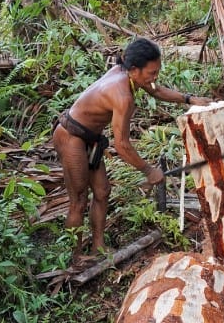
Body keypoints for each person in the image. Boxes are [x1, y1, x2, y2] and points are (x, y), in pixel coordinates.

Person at [53, 38, 212, 256]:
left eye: (157, 72)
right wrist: (148, 170)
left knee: (102, 191)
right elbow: (122, 145)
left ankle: (97, 246)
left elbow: (156, 90)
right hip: (71, 137)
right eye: (151, 73)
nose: (154, 78)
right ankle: (74, 257)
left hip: (90, 139)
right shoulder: (123, 96)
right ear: (135, 69)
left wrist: (189, 99)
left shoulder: (127, 72)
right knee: (79, 200)